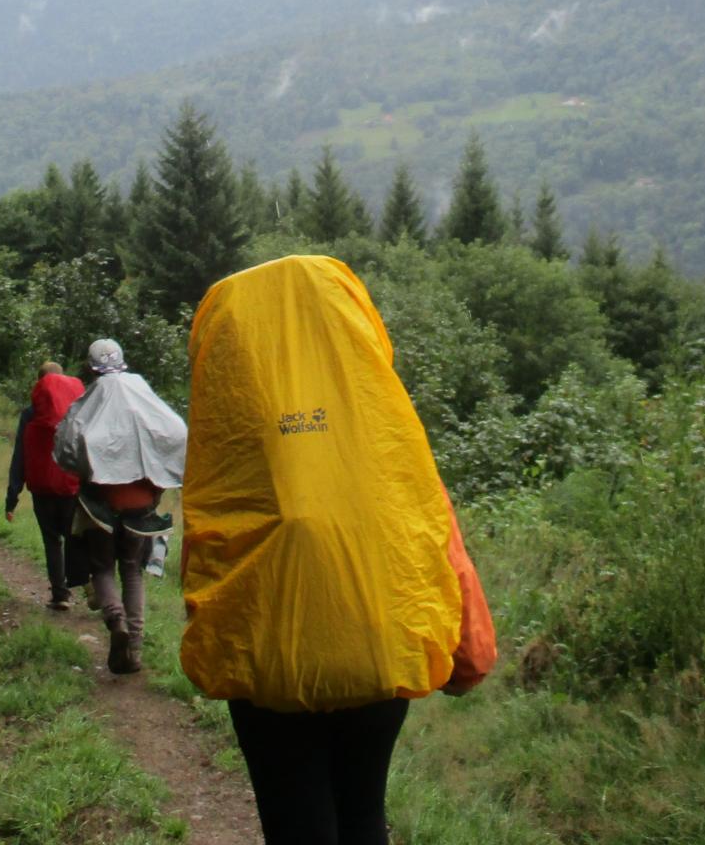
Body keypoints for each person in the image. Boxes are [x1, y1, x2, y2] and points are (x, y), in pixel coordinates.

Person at [179, 255, 497, 845]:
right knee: (362, 812)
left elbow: (203, 553)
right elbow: (436, 536)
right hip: (377, 648)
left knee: (294, 818)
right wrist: (465, 651)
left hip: (264, 659)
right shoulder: (380, 425)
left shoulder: (231, 442)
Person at [54, 338, 187, 675]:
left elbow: (66, 444)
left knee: (101, 567)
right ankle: (136, 647)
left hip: (101, 502)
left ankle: (116, 623)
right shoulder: (140, 389)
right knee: (132, 570)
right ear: (123, 362)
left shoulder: (92, 397)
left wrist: (87, 468)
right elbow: (175, 430)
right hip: (142, 503)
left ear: (90, 366)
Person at [4, 361, 87, 610]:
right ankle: (88, 583)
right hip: (72, 486)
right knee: (75, 538)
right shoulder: (79, 411)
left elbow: (21, 455)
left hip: (41, 487)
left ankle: (60, 594)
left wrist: (12, 497)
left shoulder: (30, 414)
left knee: (52, 541)